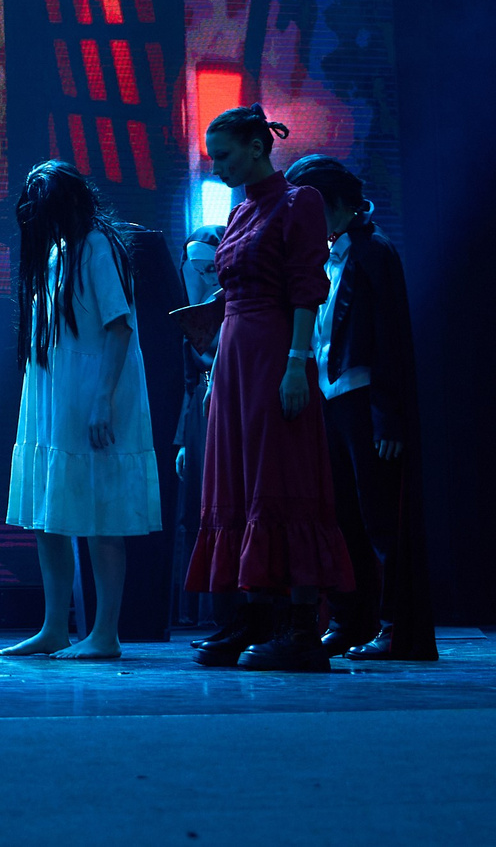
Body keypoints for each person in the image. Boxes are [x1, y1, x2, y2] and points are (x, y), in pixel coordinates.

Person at [179, 106, 351, 672]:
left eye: (225, 155)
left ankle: (300, 629)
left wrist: (297, 363)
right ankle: (256, 616)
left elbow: (305, 289)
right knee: (241, 480)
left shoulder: (299, 202)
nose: (218, 167)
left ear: (257, 147)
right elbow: (234, 290)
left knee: (283, 475)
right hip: (234, 359)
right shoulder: (239, 212)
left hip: (274, 353)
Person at [0, 162, 160, 660]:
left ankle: (105, 632)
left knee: (101, 511)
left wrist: (102, 399)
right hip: (56, 396)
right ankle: (54, 627)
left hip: (91, 393)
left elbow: (119, 326)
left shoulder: (96, 245)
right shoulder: (59, 250)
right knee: (51, 514)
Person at [285, 155, 436, 661]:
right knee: (342, 517)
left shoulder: (374, 251)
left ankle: (393, 626)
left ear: (335, 204)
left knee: (379, 519)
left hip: (365, 400)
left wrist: (387, 416)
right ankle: (352, 620)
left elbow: (391, 338)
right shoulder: (329, 255)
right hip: (332, 401)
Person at [172, 224, 225, 629]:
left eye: (211, 267)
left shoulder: (233, 302)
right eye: (196, 268)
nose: (205, 276)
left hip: (227, 402)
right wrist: (182, 441)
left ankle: (223, 607)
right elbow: (188, 382)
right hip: (198, 413)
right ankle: (196, 607)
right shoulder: (192, 305)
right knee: (193, 507)